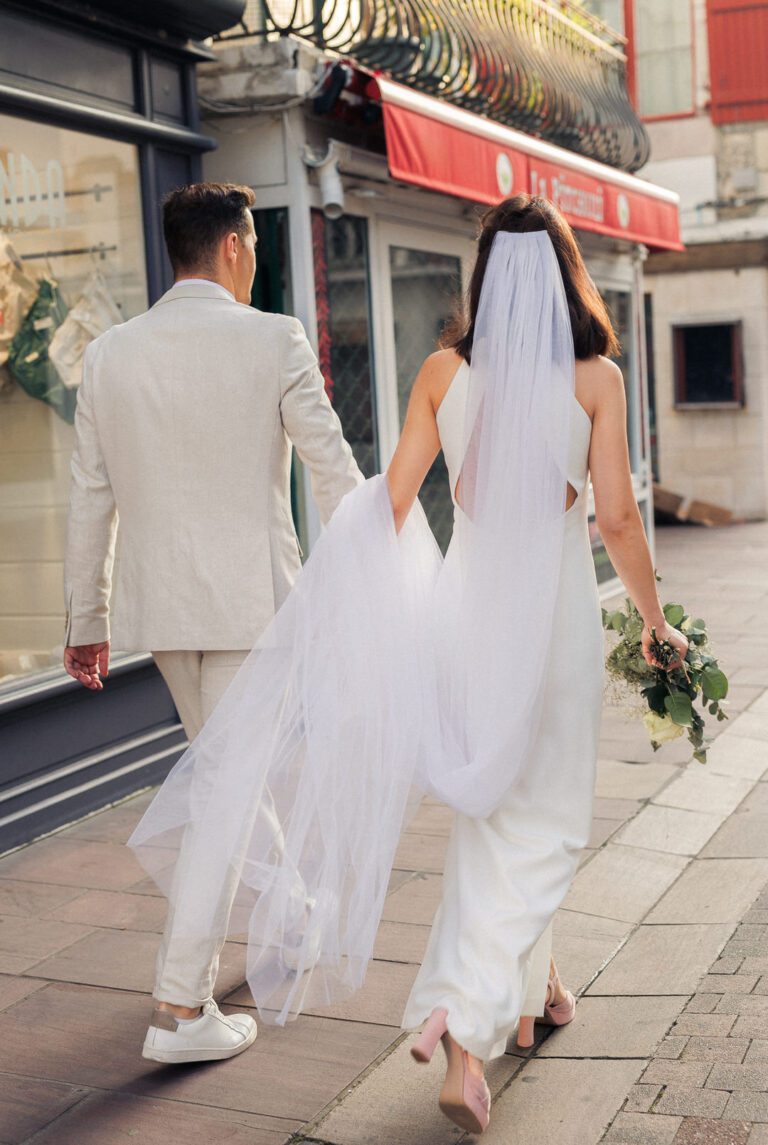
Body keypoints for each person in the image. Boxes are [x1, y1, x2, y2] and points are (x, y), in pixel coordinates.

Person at [128, 193, 688, 1135]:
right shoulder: (594, 380)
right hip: (551, 634)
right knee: (546, 830)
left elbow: (387, 504)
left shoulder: (440, 373)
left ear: (482, 279)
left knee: (491, 825)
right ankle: (458, 1014)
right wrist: (655, 620)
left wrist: (361, 602)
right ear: (563, 276)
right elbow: (619, 522)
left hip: (464, 630)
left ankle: (515, 1008)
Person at [63, 182, 362, 1065]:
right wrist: (373, 566)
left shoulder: (110, 354)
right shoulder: (273, 337)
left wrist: (88, 617)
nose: (257, 259)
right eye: (256, 246)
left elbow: (90, 500)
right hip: (252, 607)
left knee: (234, 777)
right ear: (235, 245)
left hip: (163, 614)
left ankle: (296, 918)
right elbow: (333, 466)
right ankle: (178, 1003)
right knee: (229, 796)